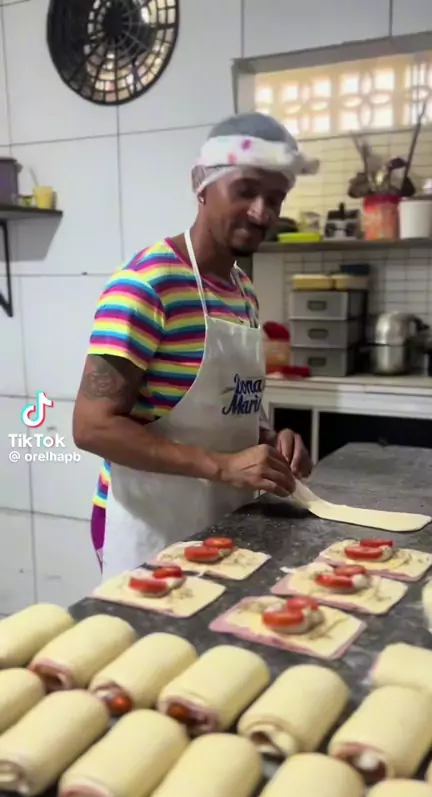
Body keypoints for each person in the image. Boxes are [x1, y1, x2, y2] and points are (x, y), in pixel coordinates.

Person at [73, 112, 319, 577]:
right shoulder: (146, 284)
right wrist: (222, 466)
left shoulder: (242, 290)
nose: (262, 213)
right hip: (150, 523)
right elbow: (91, 427)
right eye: (245, 191)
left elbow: (229, 407)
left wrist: (270, 442)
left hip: (226, 518)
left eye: (274, 198)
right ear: (201, 184)